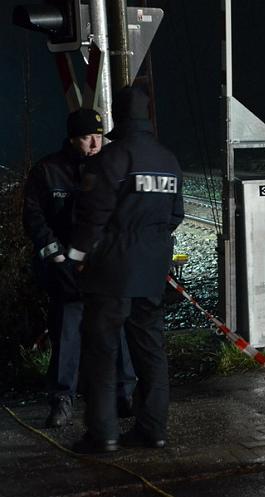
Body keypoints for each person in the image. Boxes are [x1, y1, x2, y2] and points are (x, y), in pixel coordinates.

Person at [67, 87, 184, 453]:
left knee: (102, 351)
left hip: (113, 271)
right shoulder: (168, 160)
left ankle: (104, 434)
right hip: (153, 270)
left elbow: (93, 216)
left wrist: (75, 258)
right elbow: (176, 215)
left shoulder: (112, 159)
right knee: (151, 350)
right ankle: (154, 429)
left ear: (118, 115)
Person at [23, 108, 137, 428]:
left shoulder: (110, 169)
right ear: (73, 138)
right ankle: (62, 399)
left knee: (115, 326)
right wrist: (56, 256)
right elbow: (34, 217)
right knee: (67, 328)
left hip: (102, 266)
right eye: (88, 137)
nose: (95, 144)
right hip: (65, 269)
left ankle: (124, 393)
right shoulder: (48, 171)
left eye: (99, 137)